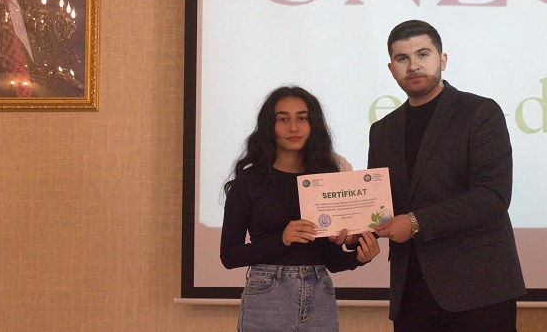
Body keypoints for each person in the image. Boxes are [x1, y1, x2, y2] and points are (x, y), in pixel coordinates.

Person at [367, 20, 526, 330]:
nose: (413, 66)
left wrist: (415, 222)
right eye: (402, 58)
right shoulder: (383, 130)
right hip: (411, 294)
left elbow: (492, 196)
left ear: (442, 60)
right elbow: (379, 205)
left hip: (479, 290)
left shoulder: (480, 112)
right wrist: (352, 230)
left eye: (422, 54)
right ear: (391, 69)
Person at [221, 86, 380, 332]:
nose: (293, 127)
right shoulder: (250, 180)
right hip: (267, 294)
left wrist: (358, 257)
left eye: (302, 118)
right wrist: (282, 240)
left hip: (319, 291)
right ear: (269, 126)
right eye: (283, 119)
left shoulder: (327, 180)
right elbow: (229, 256)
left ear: (313, 125)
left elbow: (331, 260)